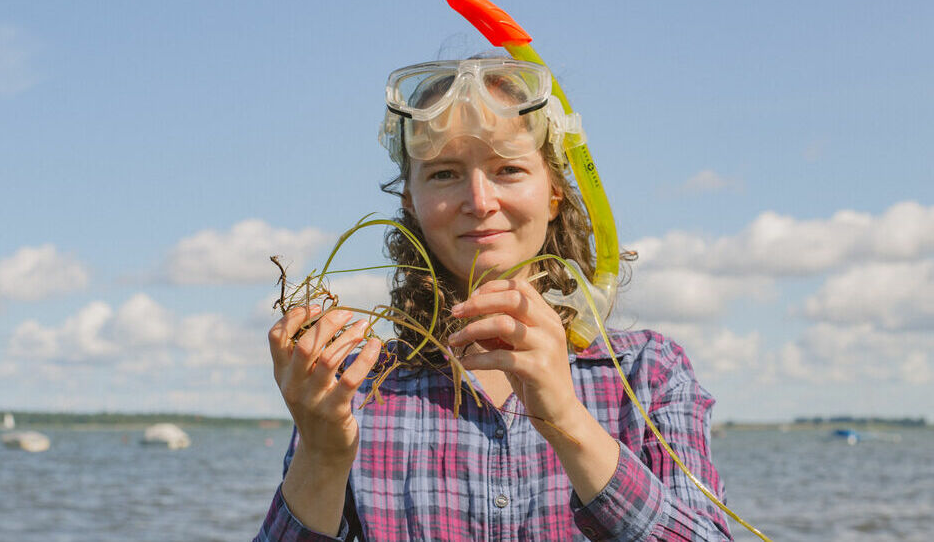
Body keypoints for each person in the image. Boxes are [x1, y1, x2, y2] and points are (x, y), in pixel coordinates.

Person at [255, 58, 732, 541]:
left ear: (555, 194)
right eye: (443, 174)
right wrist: (322, 454)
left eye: (508, 168)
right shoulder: (352, 389)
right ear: (409, 202)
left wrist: (567, 418)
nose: (480, 201)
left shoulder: (647, 372)